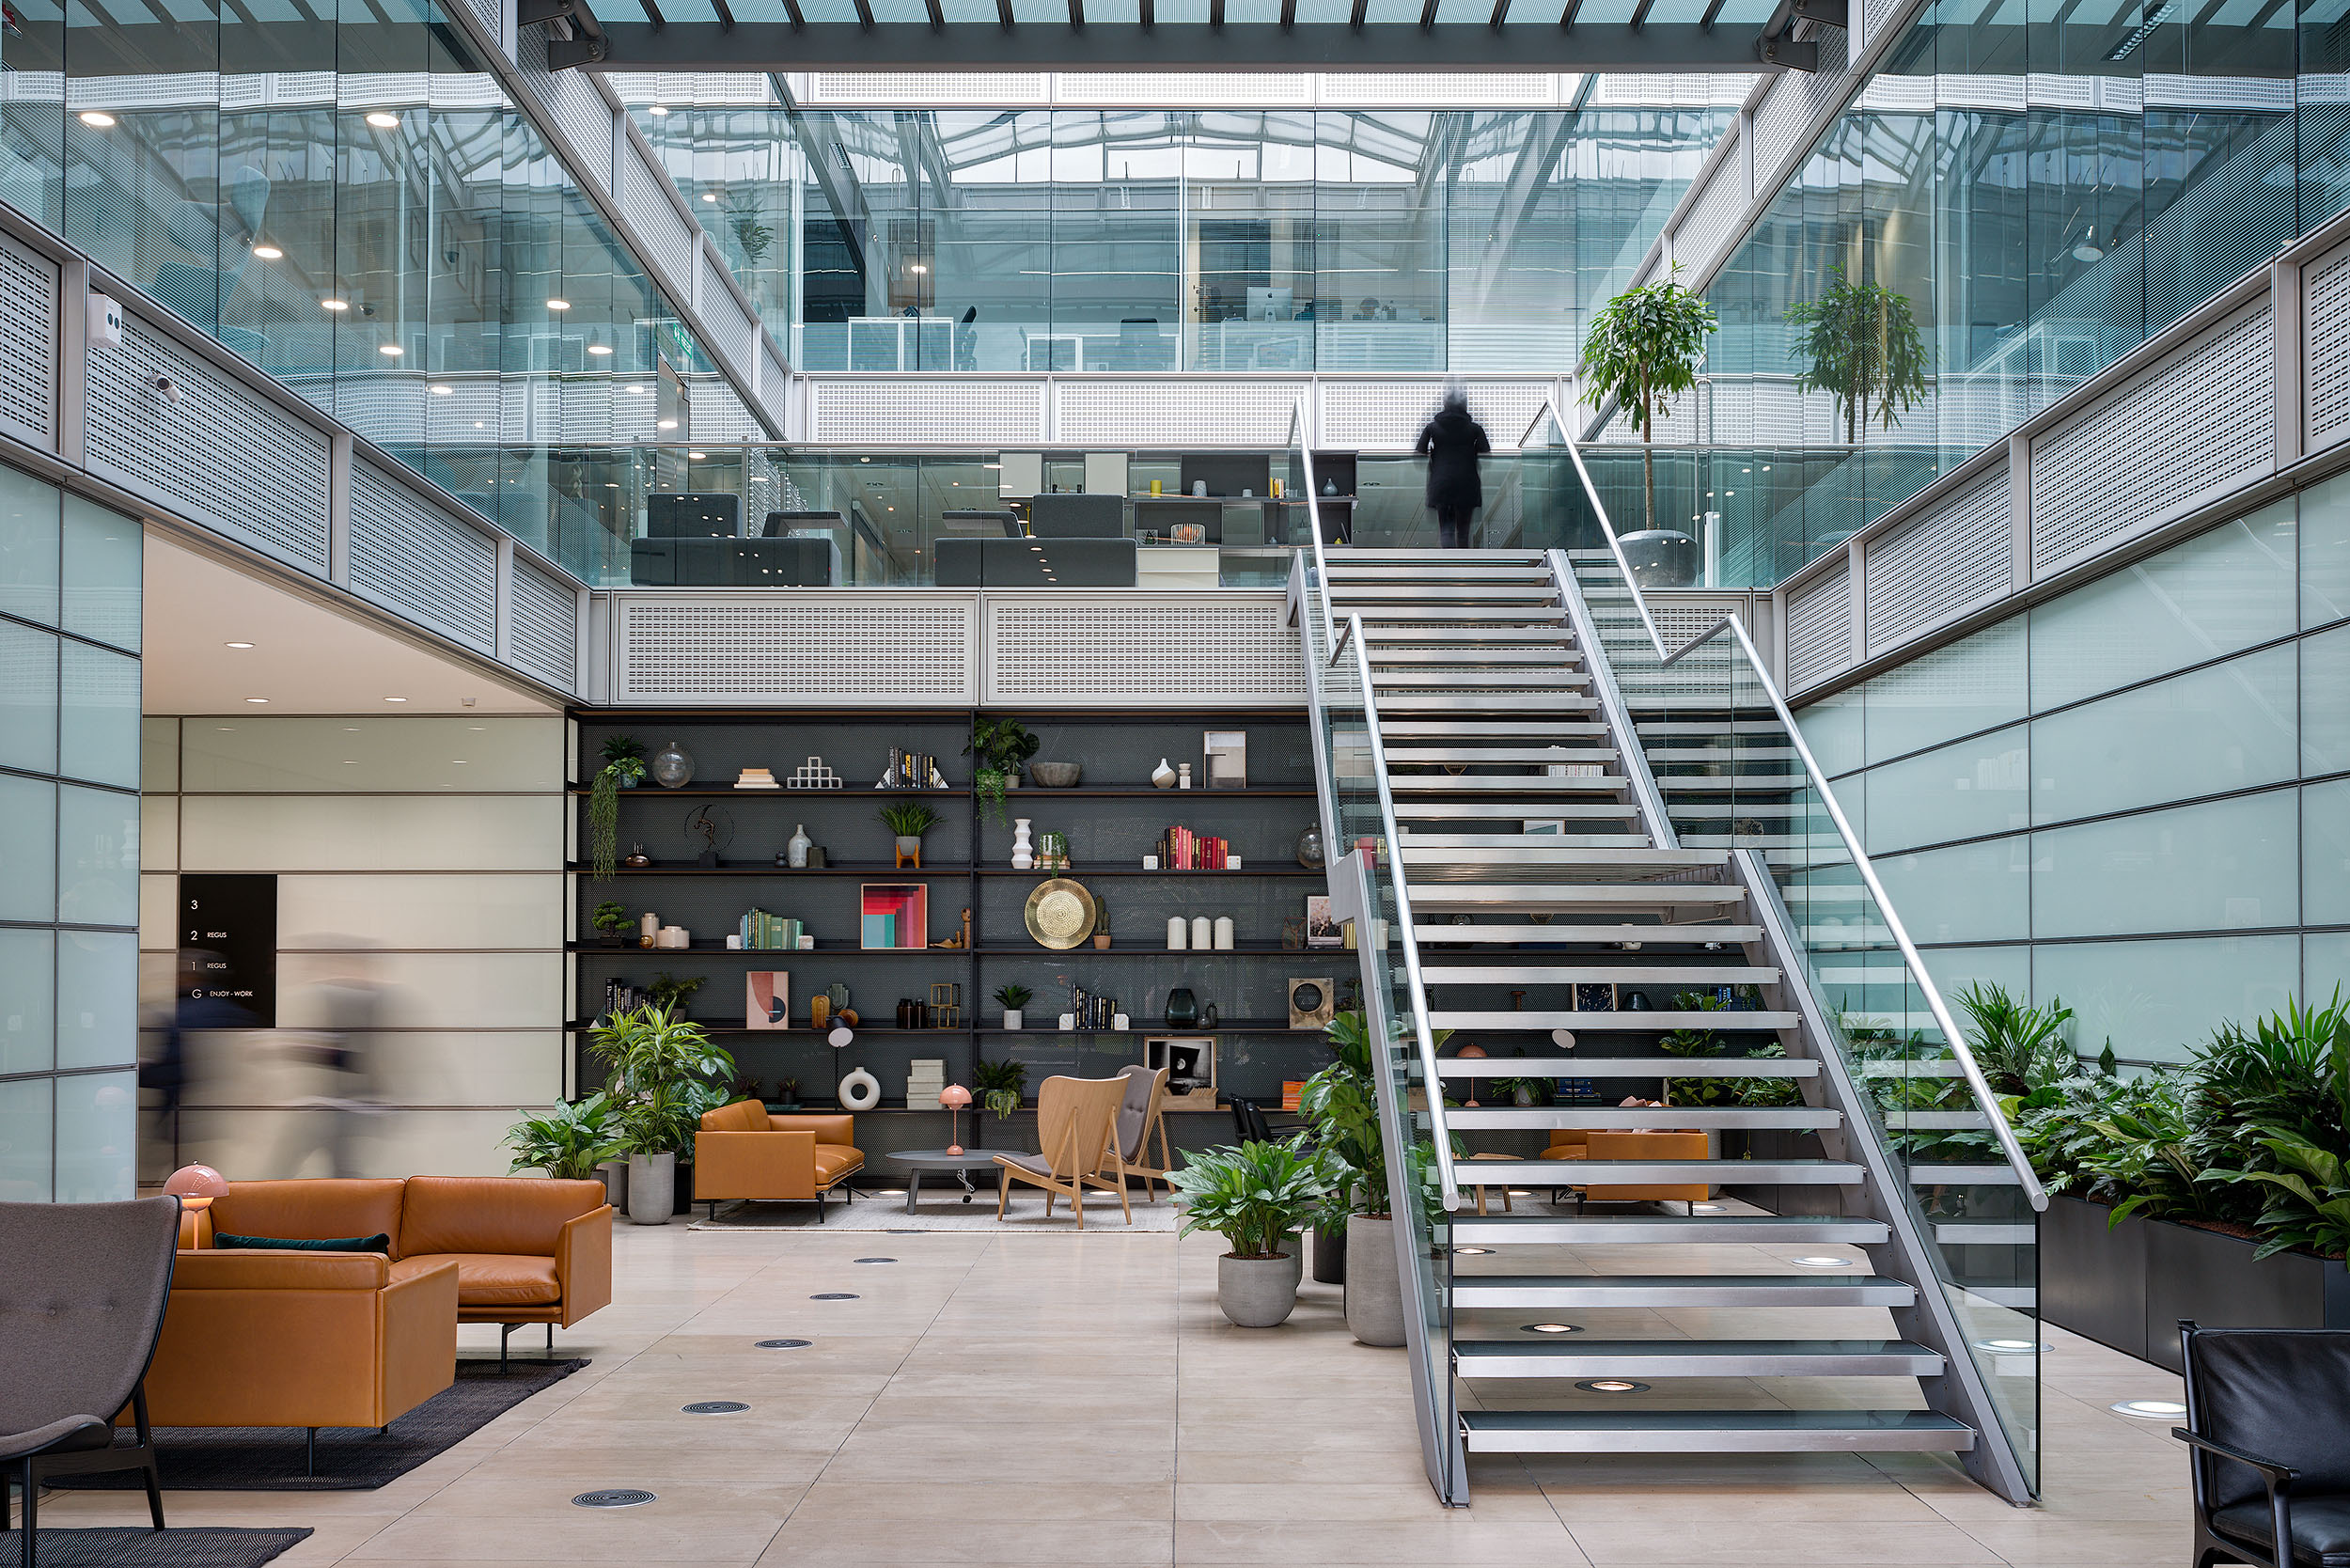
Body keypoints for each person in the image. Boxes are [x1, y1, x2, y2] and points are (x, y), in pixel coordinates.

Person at [1416, 385, 1490, 549]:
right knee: (1463, 532)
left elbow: (1420, 450)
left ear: (1445, 405)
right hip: (1467, 483)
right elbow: (1485, 450)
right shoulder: (1475, 429)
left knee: (1446, 530)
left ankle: (1449, 566)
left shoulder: (1432, 427)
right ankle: (1463, 568)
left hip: (1441, 482)